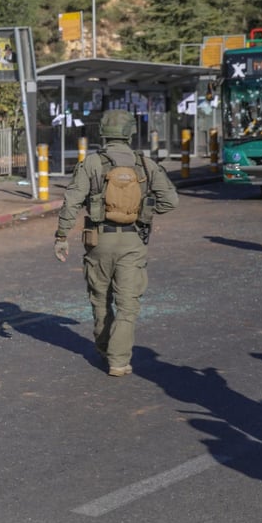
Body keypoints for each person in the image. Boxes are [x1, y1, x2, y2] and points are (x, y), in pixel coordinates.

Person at [53, 110, 178, 377]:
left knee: (100, 298)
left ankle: (104, 348)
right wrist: (144, 210)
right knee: (128, 304)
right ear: (130, 133)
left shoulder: (92, 163)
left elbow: (72, 201)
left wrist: (62, 237)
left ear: (103, 133)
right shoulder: (145, 164)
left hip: (99, 241)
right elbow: (171, 201)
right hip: (133, 241)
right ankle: (118, 361)